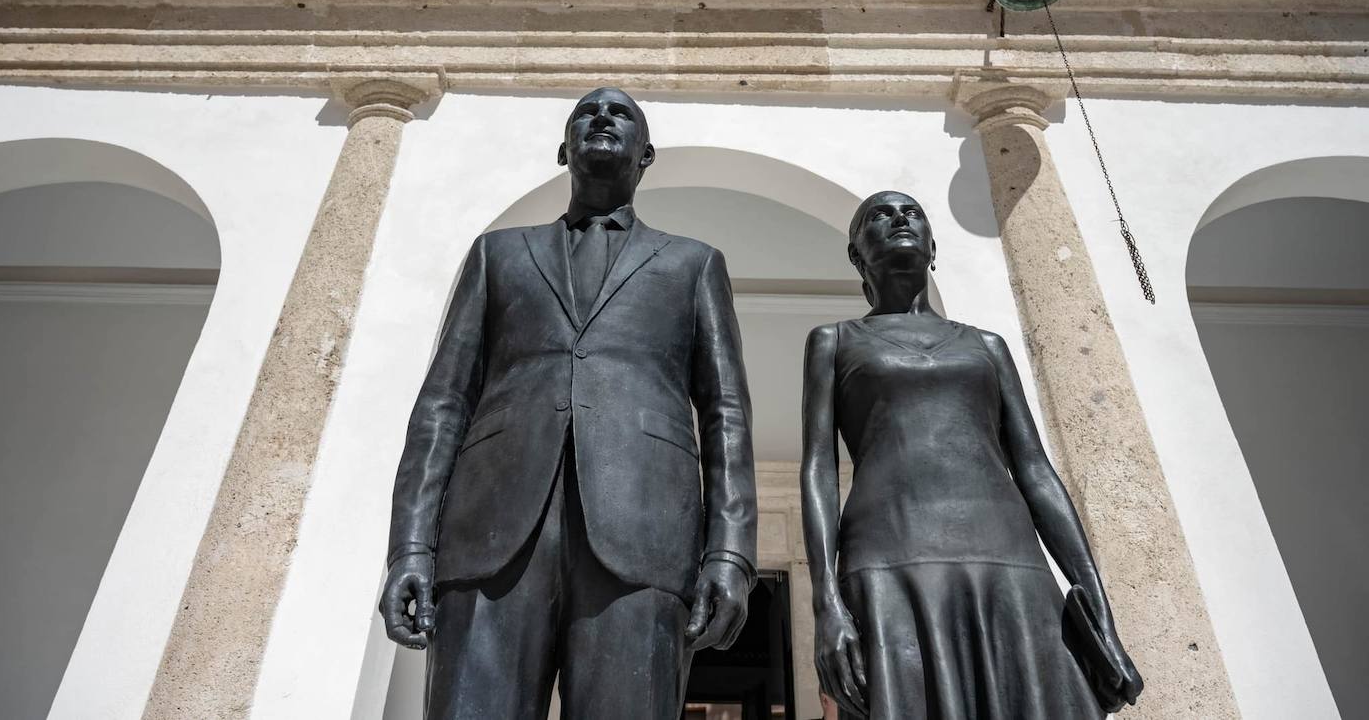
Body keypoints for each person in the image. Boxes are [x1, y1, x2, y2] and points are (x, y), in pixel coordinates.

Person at [381, 87, 758, 720]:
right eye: (586, 111)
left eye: (621, 114)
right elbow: (442, 406)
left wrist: (730, 552)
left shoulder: (694, 265)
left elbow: (726, 416)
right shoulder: (497, 254)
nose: (603, 117)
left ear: (647, 155)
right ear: (564, 150)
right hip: (489, 537)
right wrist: (411, 548)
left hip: (644, 536)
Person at [799, 190, 1143, 719]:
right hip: (890, 557)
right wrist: (825, 601)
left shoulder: (986, 345)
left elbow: (1034, 468)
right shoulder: (835, 341)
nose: (897, 219)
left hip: (1008, 557)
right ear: (855, 254)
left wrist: (1093, 593)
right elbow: (819, 468)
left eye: (910, 212)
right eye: (879, 215)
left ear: (932, 246)